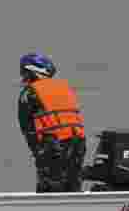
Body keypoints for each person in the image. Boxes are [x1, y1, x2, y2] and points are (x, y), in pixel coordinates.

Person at [16, 52, 86, 193]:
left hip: (53, 146)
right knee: (73, 187)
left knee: (50, 190)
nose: (23, 77)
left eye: (24, 73)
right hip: (78, 142)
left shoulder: (30, 92)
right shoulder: (64, 88)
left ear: (31, 71)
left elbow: (27, 127)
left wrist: (37, 152)